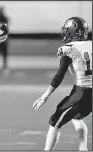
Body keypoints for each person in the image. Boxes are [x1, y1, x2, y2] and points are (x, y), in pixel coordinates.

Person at [33, 17, 92, 151]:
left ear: (73, 31)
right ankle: (83, 148)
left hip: (82, 93)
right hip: (85, 92)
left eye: (67, 31)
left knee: (55, 121)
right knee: (77, 117)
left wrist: (45, 96)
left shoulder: (69, 49)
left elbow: (59, 76)